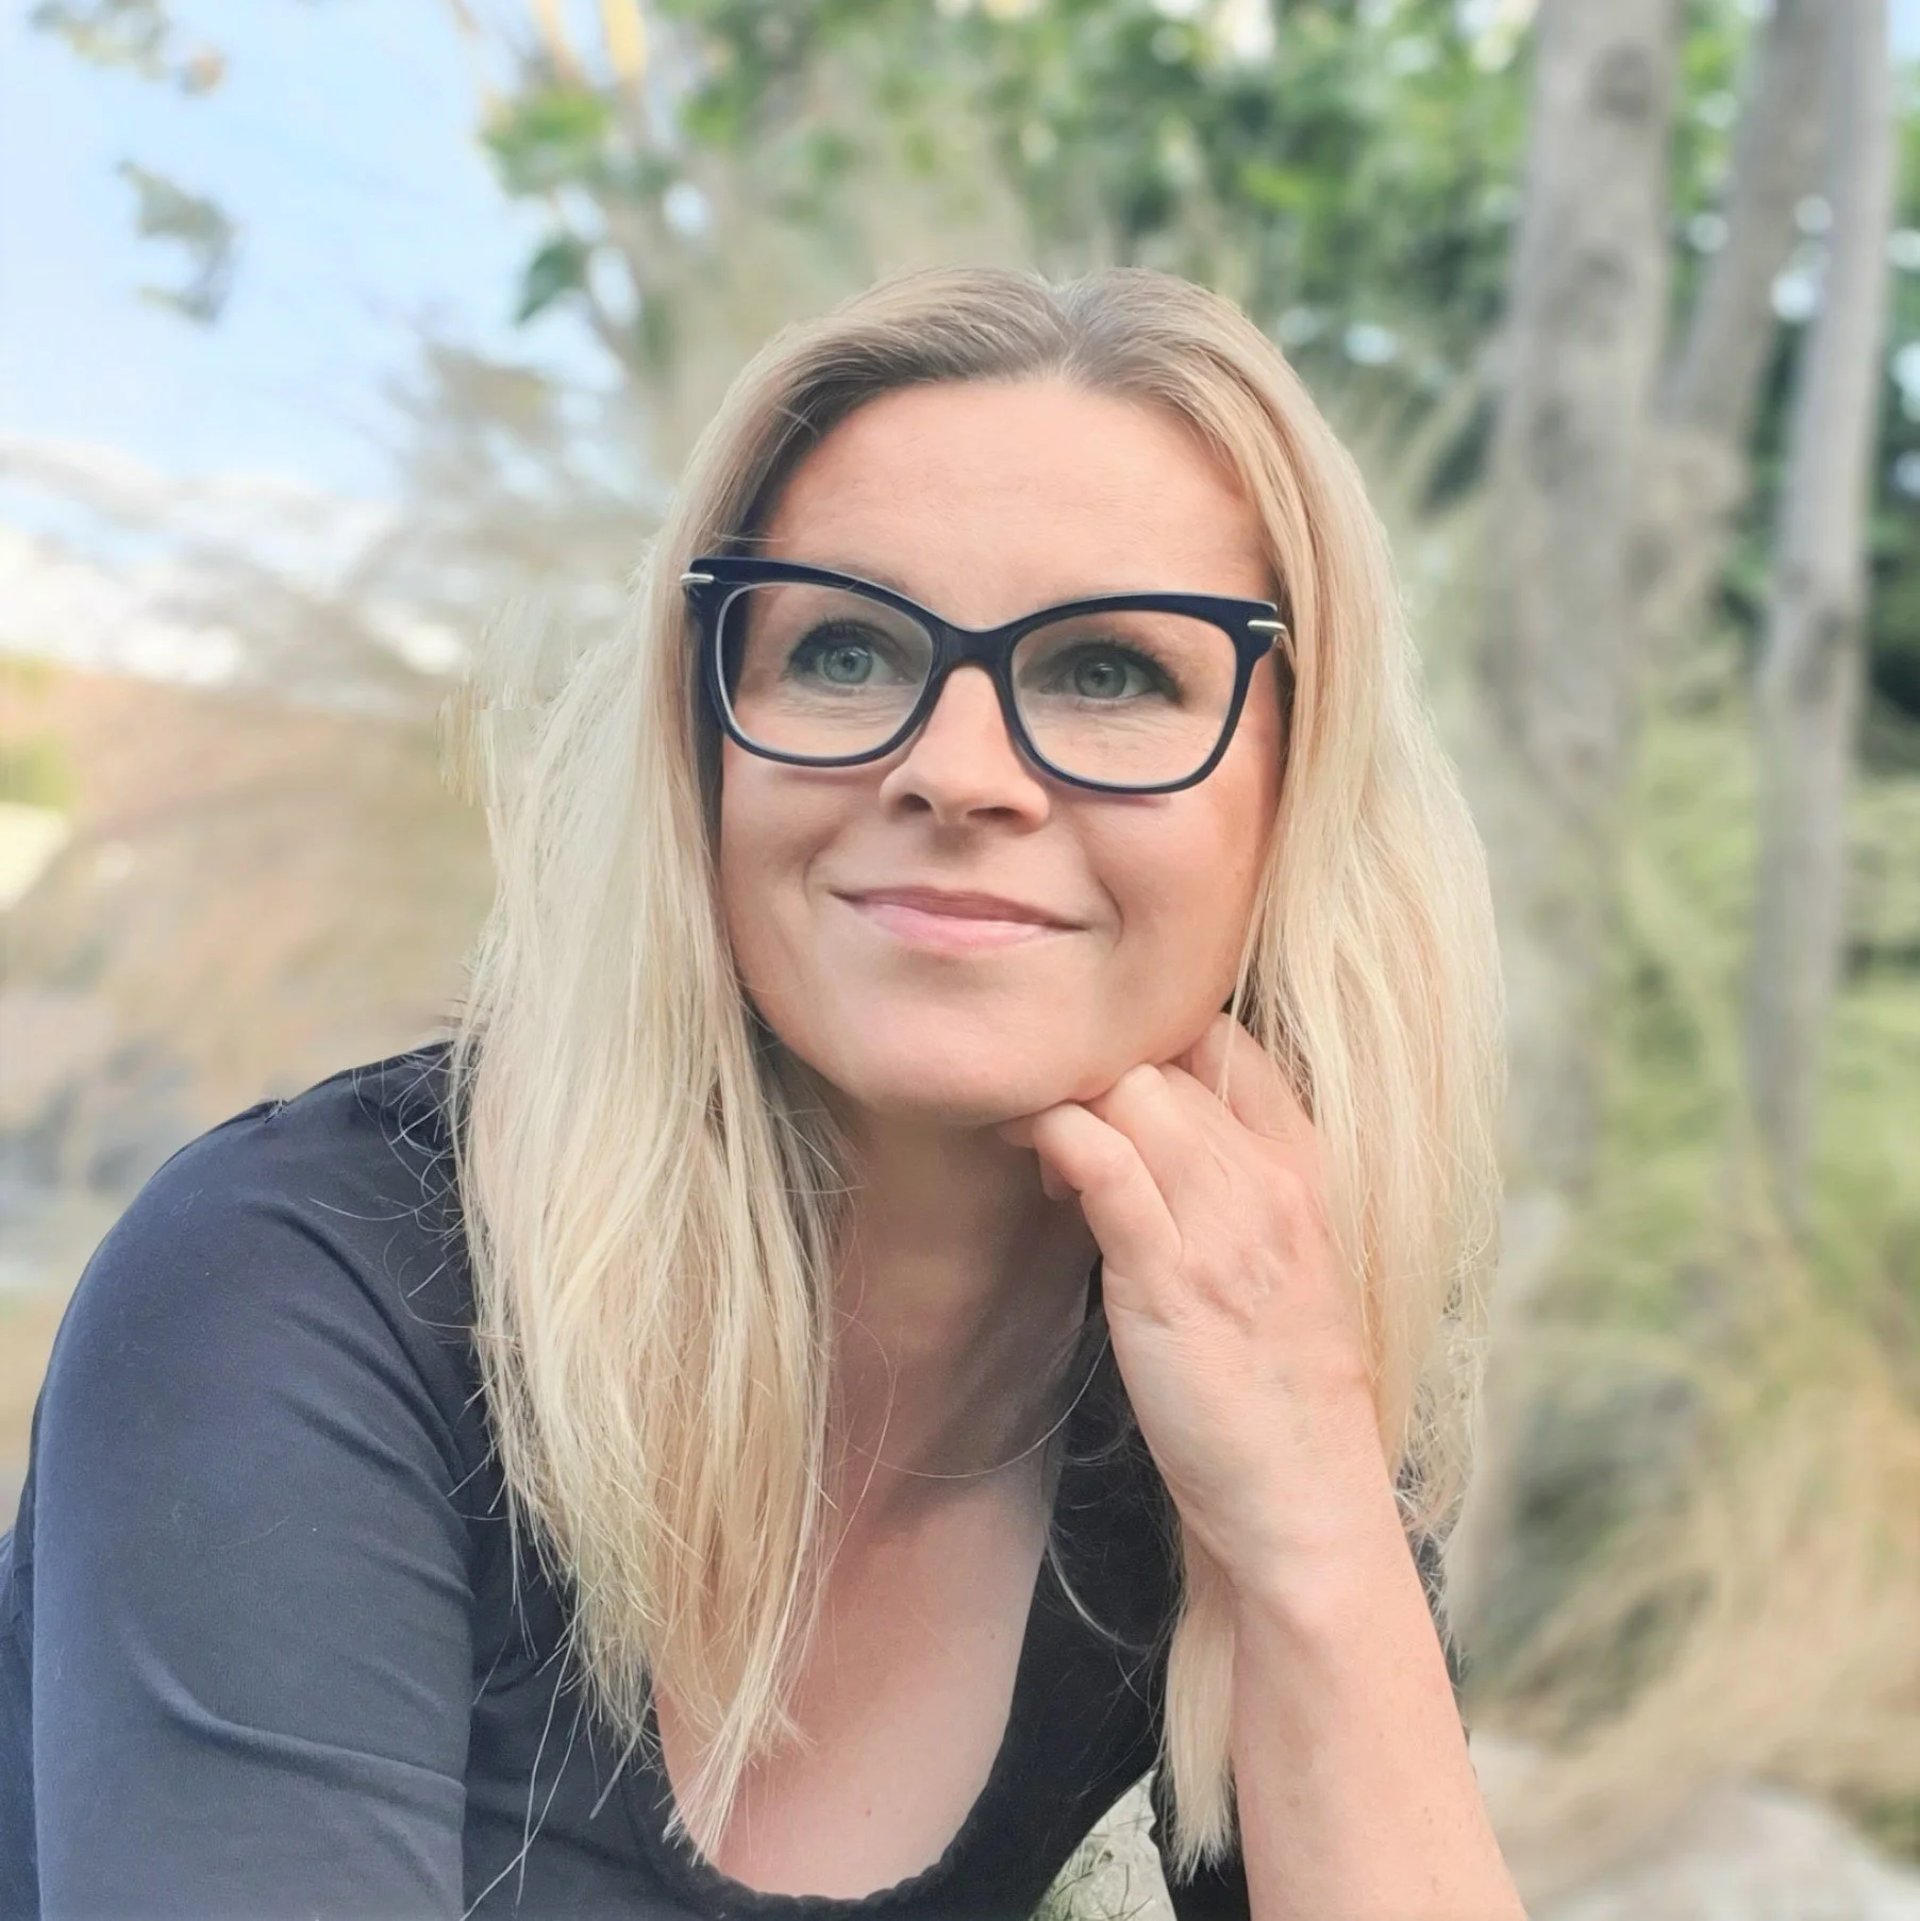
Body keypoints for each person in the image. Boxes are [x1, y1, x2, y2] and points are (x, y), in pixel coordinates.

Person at [0, 265, 1524, 1919]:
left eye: (1109, 672)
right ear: (704, 740)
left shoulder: (1234, 1370)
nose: (956, 766)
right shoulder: (302, 1290)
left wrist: (1310, 1505)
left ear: (1296, 793)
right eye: (848, 649)